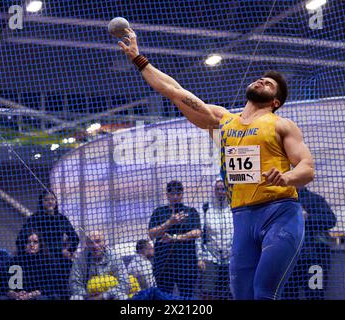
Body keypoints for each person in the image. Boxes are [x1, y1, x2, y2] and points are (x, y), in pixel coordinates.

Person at [118, 29, 315, 300]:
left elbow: (307, 167)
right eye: (261, 79)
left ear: (275, 101)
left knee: (263, 292)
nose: (261, 81)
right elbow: (174, 91)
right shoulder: (222, 121)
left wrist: (287, 178)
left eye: (269, 84)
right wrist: (139, 59)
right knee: (242, 294)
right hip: (243, 219)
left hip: (280, 214)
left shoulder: (282, 124)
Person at [20, 189, 80, 299]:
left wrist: (68, 251)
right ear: (41, 202)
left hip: (59, 259)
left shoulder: (61, 218)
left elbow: (75, 238)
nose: (50, 202)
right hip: (40, 260)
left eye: (52, 199)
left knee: (62, 289)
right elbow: (21, 239)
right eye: (46, 199)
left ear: (56, 202)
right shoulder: (35, 218)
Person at [148, 180, 201, 299]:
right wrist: (169, 223)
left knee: (187, 297)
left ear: (182, 194)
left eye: (178, 193)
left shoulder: (190, 211)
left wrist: (174, 238)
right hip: (164, 266)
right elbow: (151, 234)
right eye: (172, 194)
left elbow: (197, 232)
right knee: (164, 297)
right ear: (167, 195)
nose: (175, 197)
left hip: (187, 265)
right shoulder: (159, 212)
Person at [283, 187, 337, 300]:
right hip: (289, 259)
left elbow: (331, 220)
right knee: (288, 294)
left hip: (315, 258)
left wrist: (308, 217)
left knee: (315, 294)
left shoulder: (314, 199)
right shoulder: (282, 200)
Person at [197, 179, 233, 300]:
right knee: (208, 292)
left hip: (231, 258)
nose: (220, 192)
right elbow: (199, 236)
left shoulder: (233, 208)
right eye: (218, 189)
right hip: (210, 258)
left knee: (231, 292)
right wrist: (200, 257)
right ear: (213, 190)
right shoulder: (206, 209)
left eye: (223, 189)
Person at [69, 230, 131, 300]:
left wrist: (103, 296)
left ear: (104, 242)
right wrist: (87, 294)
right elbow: (74, 283)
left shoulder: (114, 257)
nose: (95, 246)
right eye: (91, 243)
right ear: (86, 244)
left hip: (111, 296)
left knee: (122, 297)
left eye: (98, 241)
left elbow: (125, 283)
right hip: (88, 297)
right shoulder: (80, 259)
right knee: (75, 298)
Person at [3, 229, 54, 300]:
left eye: (35, 242)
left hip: (36, 296)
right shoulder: (14, 261)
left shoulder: (46, 262)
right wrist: (14, 294)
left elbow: (49, 287)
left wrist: (30, 295)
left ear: (40, 244)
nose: (31, 245)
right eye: (28, 242)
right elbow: (5, 284)